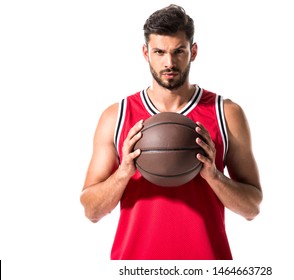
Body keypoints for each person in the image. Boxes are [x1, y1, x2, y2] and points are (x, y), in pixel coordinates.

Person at [80, 4, 262, 260]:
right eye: (159, 52)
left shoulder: (226, 113)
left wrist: (213, 176)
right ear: (145, 53)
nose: (169, 62)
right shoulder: (116, 116)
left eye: (179, 51)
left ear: (193, 51)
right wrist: (123, 173)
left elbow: (252, 207)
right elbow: (91, 211)